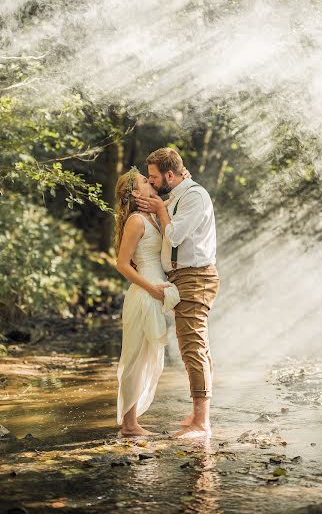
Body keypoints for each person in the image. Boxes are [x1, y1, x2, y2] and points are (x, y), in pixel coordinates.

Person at [135, 148, 219, 439]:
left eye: (154, 177)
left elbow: (175, 236)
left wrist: (159, 209)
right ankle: (198, 415)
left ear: (170, 175)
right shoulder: (178, 196)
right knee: (195, 345)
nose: (152, 182)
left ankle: (202, 423)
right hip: (184, 276)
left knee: (192, 345)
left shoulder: (194, 196)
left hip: (195, 276)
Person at [114, 166, 180, 436]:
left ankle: (133, 420)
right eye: (145, 179)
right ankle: (129, 424)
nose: (151, 181)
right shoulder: (136, 221)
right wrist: (152, 288)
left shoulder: (152, 215)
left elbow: (174, 197)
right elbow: (121, 264)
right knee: (135, 358)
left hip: (156, 292)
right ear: (134, 192)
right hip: (144, 293)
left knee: (152, 359)